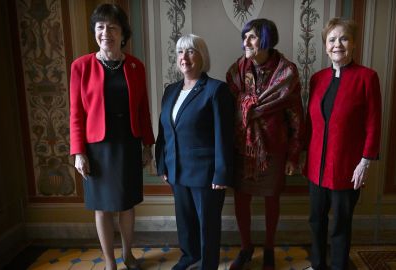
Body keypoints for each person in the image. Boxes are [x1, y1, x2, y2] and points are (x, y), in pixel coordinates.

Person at [69, 4, 154, 270]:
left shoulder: (135, 66)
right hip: (96, 148)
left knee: (127, 204)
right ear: (95, 31)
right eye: (100, 27)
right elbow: (76, 113)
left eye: (112, 27)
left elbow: (142, 109)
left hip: (128, 143)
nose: (106, 32)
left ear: (123, 34)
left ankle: (128, 256)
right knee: (102, 208)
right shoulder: (81, 67)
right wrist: (78, 152)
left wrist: (147, 146)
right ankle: (109, 262)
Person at [302, 17, 382, 269]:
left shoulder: (367, 77)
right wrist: (302, 155)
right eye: (332, 39)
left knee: (340, 224)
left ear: (354, 44)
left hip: (347, 168)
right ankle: (317, 265)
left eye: (344, 38)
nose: (338, 44)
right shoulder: (318, 78)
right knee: (316, 220)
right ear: (326, 46)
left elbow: (373, 122)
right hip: (316, 166)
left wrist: (365, 162)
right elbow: (310, 122)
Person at [226, 18, 305, 270]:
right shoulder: (236, 71)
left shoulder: (287, 72)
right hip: (242, 148)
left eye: (252, 37)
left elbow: (296, 116)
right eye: (244, 36)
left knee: (272, 198)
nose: (245, 42)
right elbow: (229, 110)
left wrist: (294, 156)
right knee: (241, 199)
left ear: (267, 39)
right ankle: (246, 247)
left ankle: (269, 248)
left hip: (273, 148)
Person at [155, 34, 235, 270]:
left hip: (206, 174)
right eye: (180, 52)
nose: (184, 57)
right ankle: (189, 257)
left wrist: (221, 173)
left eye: (190, 51)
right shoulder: (170, 90)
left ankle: (207, 264)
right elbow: (164, 131)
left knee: (207, 225)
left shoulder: (216, 90)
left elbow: (224, 135)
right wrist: (162, 163)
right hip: (176, 170)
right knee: (186, 222)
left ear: (202, 57)